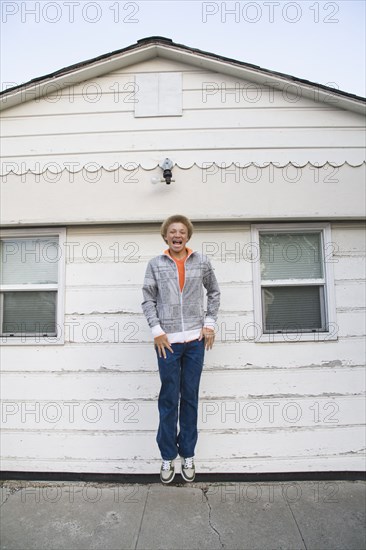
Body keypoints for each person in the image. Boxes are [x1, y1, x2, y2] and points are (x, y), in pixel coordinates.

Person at [141, 214, 220, 484]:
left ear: (188, 236)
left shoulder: (201, 261)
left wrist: (209, 324)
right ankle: (166, 457)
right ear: (166, 236)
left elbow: (215, 292)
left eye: (182, 231)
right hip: (168, 343)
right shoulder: (156, 264)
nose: (177, 235)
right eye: (172, 231)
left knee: (190, 399)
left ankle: (187, 454)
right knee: (168, 400)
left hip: (196, 342)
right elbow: (148, 300)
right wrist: (157, 331)